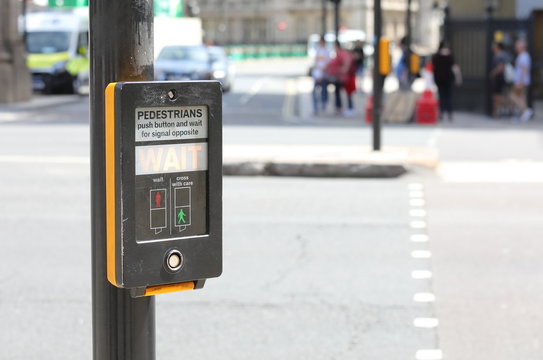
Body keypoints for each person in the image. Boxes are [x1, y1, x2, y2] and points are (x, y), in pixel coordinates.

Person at [432, 41, 460, 121]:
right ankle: (449, 113)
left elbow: (434, 67)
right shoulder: (450, 56)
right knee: (448, 96)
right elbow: (455, 67)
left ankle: (441, 113)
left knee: (441, 96)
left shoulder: (436, 56)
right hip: (448, 79)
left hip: (439, 79)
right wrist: (458, 78)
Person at [326, 40, 354, 116]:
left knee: (347, 92)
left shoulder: (342, 53)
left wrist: (343, 70)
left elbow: (346, 64)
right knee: (338, 91)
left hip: (344, 77)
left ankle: (349, 108)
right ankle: (339, 107)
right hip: (340, 77)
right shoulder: (338, 54)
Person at [509, 39, 532, 122]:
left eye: (517, 46)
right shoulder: (521, 55)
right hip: (521, 80)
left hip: (521, 81)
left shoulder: (524, 56)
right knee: (521, 97)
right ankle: (522, 113)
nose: (516, 47)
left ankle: (526, 110)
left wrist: (520, 81)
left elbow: (524, 69)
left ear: (521, 47)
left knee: (512, 95)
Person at [490, 42, 511, 117]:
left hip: (500, 78)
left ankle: (510, 105)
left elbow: (501, 67)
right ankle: (496, 112)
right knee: (495, 96)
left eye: (494, 46)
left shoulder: (501, 55)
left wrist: (493, 73)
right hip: (498, 78)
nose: (492, 47)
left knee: (496, 96)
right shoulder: (497, 55)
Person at [311, 35, 330, 115]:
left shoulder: (327, 51)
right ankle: (315, 108)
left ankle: (323, 106)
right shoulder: (317, 50)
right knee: (314, 92)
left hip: (323, 75)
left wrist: (322, 73)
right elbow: (315, 62)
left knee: (324, 91)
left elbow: (327, 63)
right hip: (317, 74)